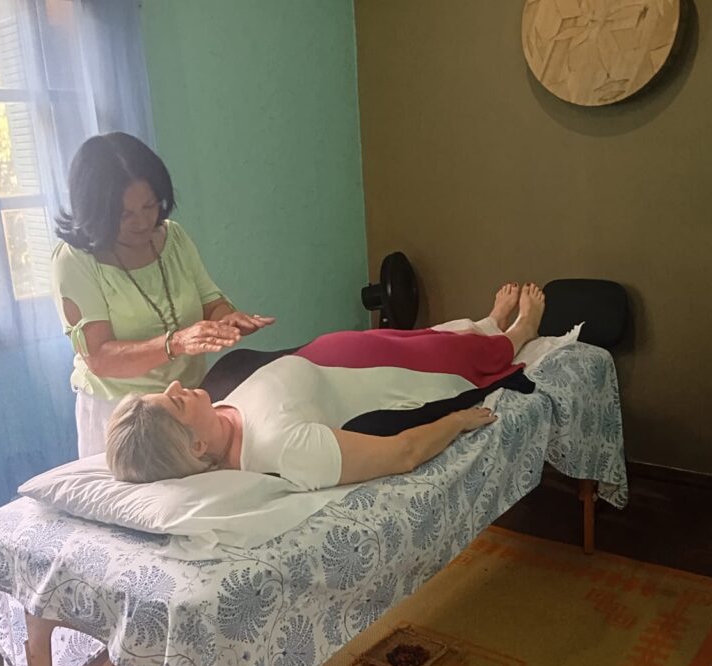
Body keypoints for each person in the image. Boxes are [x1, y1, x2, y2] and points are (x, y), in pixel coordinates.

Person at [106, 282, 547, 489]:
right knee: (466, 362)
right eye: (176, 404)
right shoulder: (283, 449)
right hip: (386, 380)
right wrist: (456, 422)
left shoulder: (217, 409)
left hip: (353, 352)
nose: (175, 386)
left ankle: (488, 322)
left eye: (165, 393)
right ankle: (518, 332)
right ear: (197, 447)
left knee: (436, 337)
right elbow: (403, 454)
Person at [51, 132, 275, 456]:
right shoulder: (74, 260)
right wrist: (177, 343)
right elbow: (99, 358)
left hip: (190, 404)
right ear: (96, 211)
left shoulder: (174, 238)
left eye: (150, 205)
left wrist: (226, 321)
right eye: (125, 214)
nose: (143, 222)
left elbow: (210, 302)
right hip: (122, 415)